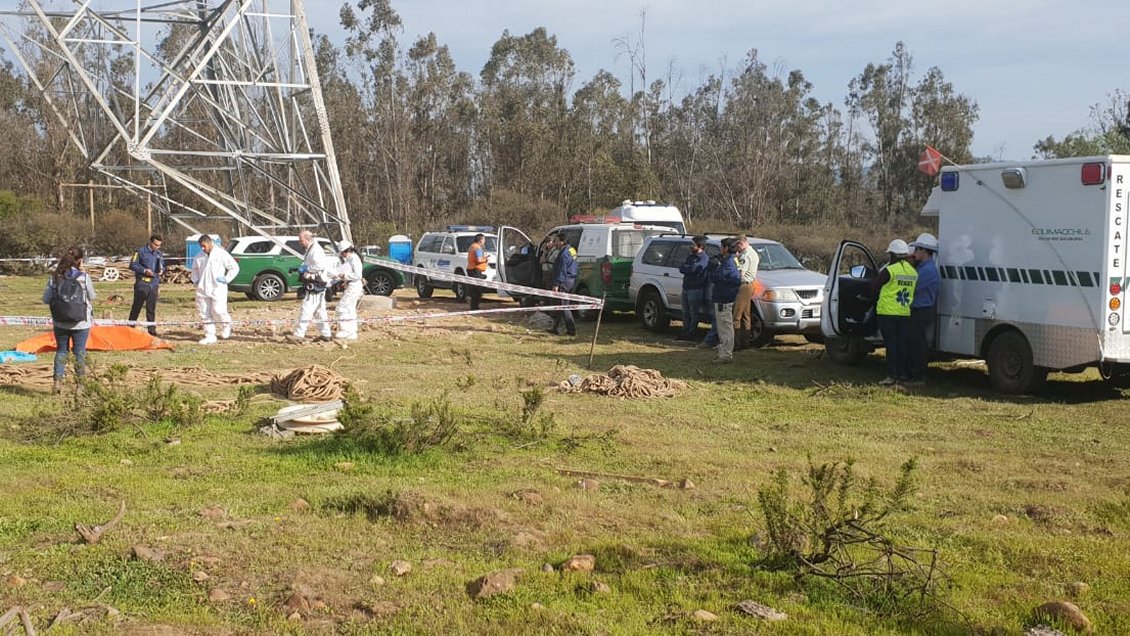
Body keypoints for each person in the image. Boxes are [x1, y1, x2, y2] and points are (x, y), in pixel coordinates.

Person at [43, 246, 96, 394]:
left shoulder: (54, 277)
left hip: (60, 322)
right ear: (80, 261)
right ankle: (80, 386)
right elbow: (92, 297)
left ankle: (57, 383)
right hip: (81, 322)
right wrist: (83, 273)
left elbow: (46, 299)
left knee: (61, 351)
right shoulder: (84, 277)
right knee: (79, 352)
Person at [870, 238, 918, 385]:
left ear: (894, 255)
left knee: (891, 345)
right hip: (904, 313)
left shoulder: (890, 270)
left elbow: (874, 286)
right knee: (902, 345)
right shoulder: (912, 272)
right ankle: (903, 374)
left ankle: (892, 375)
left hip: (887, 313)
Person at [190, 234, 239, 345]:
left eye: (204, 246)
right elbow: (194, 270)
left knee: (218, 310)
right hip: (202, 288)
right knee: (204, 313)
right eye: (201, 246)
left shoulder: (221, 254)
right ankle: (210, 335)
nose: (203, 248)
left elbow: (234, 267)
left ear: (210, 243)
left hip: (218, 288)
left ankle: (226, 326)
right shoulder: (199, 256)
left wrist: (226, 279)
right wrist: (195, 280)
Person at [907, 233, 939, 386]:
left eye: (917, 249)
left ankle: (918, 377)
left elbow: (912, 287)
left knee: (918, 344)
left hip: (922, 310)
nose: (915, 252)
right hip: (922, 310)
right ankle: (915, 374)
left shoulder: (927, 271)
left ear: (924, 251)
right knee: (916, 342)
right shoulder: (924, 267)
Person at [290, 230, 334, 342]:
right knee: (320, 311)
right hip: (317, 282)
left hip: (315, 283)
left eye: (301, 240)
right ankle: (326, 334)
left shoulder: (316, 250)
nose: (300, 242)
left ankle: (299, 334)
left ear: (307, 239)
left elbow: (318, 266)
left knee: (306, 308)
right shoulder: (311, 249)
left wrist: (307, 270)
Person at [708, 238, 742, 363]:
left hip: (724, 298)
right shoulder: (733, 260)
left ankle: (726, 355)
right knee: (723, 327)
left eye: (721, 247)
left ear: (726, 248)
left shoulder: (728, 263)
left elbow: (718, 276)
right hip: (725, 296)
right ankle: (723, 351)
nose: (720, 249)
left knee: (725, 327)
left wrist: (712, 270)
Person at [127, 233, 164, 337]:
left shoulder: (159, 254)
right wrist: (144, 270)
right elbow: (132, 265)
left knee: (151, 308)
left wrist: (162, 270)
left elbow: (162, 265)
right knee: (136, 307)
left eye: (159, 245)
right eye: (155, 245)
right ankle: (129, 328)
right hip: (142, 283)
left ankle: (151, 330)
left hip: (154, 284)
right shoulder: (140, 251)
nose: (157, 247)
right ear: (150, 242)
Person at [677, 235, 710, 342]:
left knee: (693, 313)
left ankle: (691, 333)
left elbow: (695, 269)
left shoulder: (704, 258)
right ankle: (684, 331)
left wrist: (688, 268)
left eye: (693, 244)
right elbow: (682, 268)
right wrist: (688, 268)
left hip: (696, 290)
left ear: (700, 246)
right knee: (685, 312)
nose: (691, 246)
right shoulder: (690, 256)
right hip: (686, 287)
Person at [731, 234, 760, 350]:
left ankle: (735, 343)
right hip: (750, 285)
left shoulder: (745, 255)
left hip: (744, 285)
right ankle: (745, 341)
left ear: (740, 244)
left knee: (736, 315)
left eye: (737, 245)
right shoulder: (753, 252)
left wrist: (735, 260)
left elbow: (740, 272)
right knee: (745, 315)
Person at [548, 233, 578, 337]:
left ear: (562, 241)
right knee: (559, 305)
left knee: (564, 306)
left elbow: (562, 270)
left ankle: (571, 331)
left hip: (564, 282)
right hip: (571, 280)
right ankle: (554, 328)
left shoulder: (564, 253)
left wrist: (556, 284)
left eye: (556, 241)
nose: (555, 243)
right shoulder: (572, 250)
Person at [333, 240, 364, 340]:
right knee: (350, 309)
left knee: (342, 307)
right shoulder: (350, 259)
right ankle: (352, 332)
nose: (341, 255)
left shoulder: (354, 259)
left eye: (342, 253)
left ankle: (345, 330)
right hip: (351, 285)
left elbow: (358, 275)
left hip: (354, 286)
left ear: (345, 251)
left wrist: (345, 276)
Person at [466, 233, 489, 310]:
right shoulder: (478, 248)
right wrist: (485, 258)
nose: (484, 241)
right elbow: (479, 260)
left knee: (473, 288)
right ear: (481, 240)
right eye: (484, 239)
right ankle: (474, 306)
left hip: (471, 269)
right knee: (477, 289)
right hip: (475, 270)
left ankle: (471, 301)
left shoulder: (472, 246)